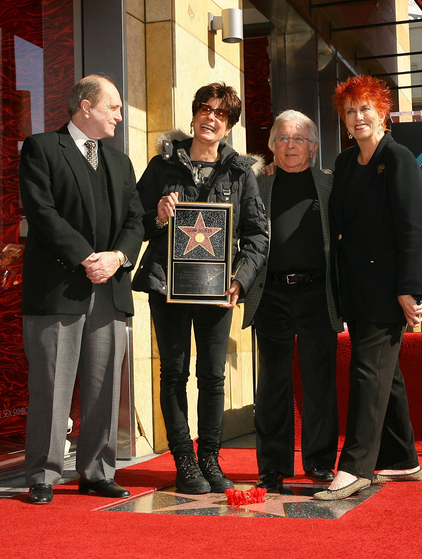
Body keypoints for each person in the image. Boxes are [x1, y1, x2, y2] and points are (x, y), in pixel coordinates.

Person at [133, 83, 268, 495]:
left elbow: (258, 235)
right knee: (173, 373)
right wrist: (156, 215)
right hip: (167, 286)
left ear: (228, 127)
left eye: (221, 114)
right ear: (192, 116)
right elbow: (133, 224)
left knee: (212, 378)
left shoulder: (242, 172)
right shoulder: (161, 166)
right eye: (205, 110)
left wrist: (240, 279)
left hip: (217, 290)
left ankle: (210, 458)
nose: (211, 118)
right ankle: (184, 462)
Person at [18, 74, 145, 505]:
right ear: (86, 106)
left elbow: (136, 221)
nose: (119, 115)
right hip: (57, 289)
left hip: (109, 288)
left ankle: (96, 471)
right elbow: (42, 212)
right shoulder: (41, 148)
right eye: (113, 106)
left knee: (104, 385)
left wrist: (116, 258)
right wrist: (85, 257)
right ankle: (43, 474)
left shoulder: (120, 162)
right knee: (51, 384)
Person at [314, 75, 422, 501]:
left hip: (387, 290)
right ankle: (402, 459)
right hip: (355, 289)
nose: (358, 117)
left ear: (383, 113)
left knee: (367, 372)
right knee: (386, 374)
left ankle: (356, 466)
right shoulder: (345, 164)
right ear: (344, 122)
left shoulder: (400, 160)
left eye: (366, 108)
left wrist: (410, 289)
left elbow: (416, 230)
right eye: (350, 111)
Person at [242, 110, 341, 491]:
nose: (290, 145)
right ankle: (272, 465)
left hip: (319, 294)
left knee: (320, 383)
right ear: (271, 147)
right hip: (271, 295)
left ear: (313, 148)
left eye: (299, 139)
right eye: (282, 138)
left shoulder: (330, 184)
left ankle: (319, 462)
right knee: (273, 384)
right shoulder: (257, 185)